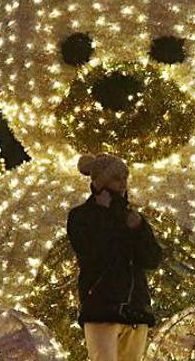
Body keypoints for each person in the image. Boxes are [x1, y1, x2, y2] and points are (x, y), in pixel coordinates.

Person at [66, 153, 163, 361]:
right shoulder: (82, 216)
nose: (123, 184)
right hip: (101, 308)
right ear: (100, 182)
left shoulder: (131, 217)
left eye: (125, 178)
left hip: (135, 310)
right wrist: (105, 216)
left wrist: (138, 229)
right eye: (116, 178)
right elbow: (92, 254)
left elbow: (153, 258)